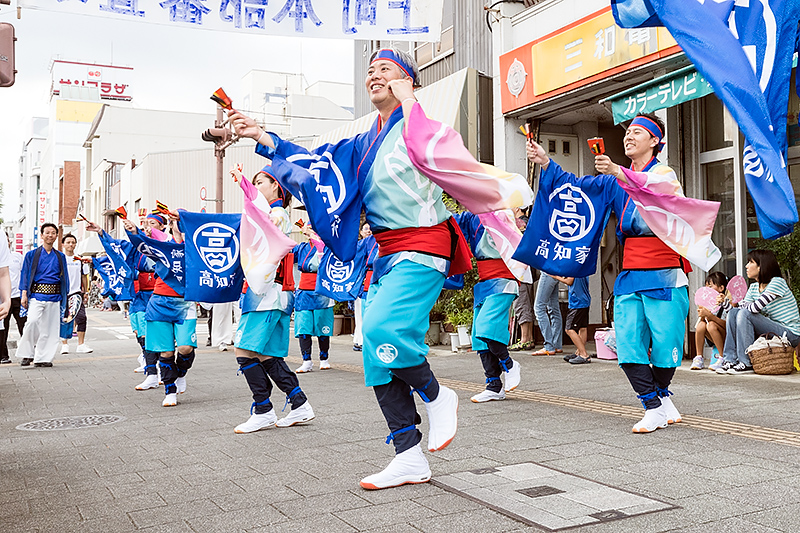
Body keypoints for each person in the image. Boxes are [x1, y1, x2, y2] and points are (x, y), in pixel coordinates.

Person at [229, 47, 467, 489]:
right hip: (385, 254)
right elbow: (315, 164)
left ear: (408, 80)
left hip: (423, 245)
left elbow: (437, 152)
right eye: (371, 70)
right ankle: (408, 455)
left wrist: (411, 100)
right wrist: (262, 136)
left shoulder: (425, 125)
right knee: (377, 358)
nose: (374, 75)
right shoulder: (361, 142)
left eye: (386, 70)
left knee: (381, 331)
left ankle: (438, 394)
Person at [527, 113, 689, 433]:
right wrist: (546, 161)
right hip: (630, 273)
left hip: (665, 273)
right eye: (626, 132)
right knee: (626, 342)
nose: (628, 136)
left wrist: (618, 171)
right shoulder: (614, 181)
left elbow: (662, 196)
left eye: (637, 132)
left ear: (655, 141)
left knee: (667, 345)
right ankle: (653, 405)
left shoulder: (663, 174)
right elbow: (574, 186)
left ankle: (662, 398)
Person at [231, 166, 315, 433]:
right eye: (254, 184)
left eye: (260, 183)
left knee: (243, 350)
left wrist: (245, 186)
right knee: (267, 355)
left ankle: (263, 408)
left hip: (268, 294)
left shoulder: (277, 214)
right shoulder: (274, 213)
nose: (256, 189)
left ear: (276, 186)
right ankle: (299, 404)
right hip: (275, 293)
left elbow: (271, 222)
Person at [125, 214, 197, 407]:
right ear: (170, 227)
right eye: (174, 223)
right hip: (159, 302)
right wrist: (133, 232)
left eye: (181, 224)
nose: (178, 227)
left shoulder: (195, 248)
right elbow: (141, 244)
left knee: (185, 348)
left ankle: (180, 373)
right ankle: (170, 389)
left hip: (185, 303)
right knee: (165, 352)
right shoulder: (163, 246)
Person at [454, 211, 522, 402]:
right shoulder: (472, 217)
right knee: (479, 338)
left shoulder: (507, 213)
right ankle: (494, 385)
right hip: (484, 282)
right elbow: (451, 222)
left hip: (503, 279)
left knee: (486, 328)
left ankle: (509, 364)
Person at [717, 250, 800, 374]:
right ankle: (730, 360)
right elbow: (736, 312)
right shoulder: (754, 287)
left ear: (761, 266)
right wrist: (724, 303)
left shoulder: (777, 282)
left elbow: (754, 308)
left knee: (744, 313)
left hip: (790, 334)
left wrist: (741, 304)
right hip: (773, 330)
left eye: (750, 262)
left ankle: (746, 362)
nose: (746, 266)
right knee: (734, 313)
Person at [16, 223, 68, 368]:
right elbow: (25, 274)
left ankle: (43, 358)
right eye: (47, 232)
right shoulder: (31, 255)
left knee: (49, 329)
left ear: (57, 236)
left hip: (55, 296)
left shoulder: (60, 256)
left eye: (53, 233)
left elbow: (64, 278)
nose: (50, 235)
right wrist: (24, 294)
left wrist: (65, 297)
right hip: (37, 295)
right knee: (31, 322)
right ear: (42, 235)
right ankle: (27, 354)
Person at [291, 224, 334, 373]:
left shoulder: (328, 246)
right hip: (304, 291)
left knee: (323, 328)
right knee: (303, 327)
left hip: (322, 289)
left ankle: (324, 358)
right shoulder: (301, 247)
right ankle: (306, 360)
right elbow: (288, 254)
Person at [510, 207, 537, 351]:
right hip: (526, 270)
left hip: (521, 270)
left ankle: (525, 339)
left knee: (521, 304)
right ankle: (529, 338)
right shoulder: (527, 223)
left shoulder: (521, 224)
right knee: (526, 303)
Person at [59, 233, 92, 354]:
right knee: (64, 318)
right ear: (63, 244)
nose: (71, 244)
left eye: (73, 242)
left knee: (81, 317)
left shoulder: (80, 260)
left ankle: (81, 344)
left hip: (77, 292)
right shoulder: (59, 259)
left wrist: (86, 292)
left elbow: (84, 276)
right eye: (68, 242)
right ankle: (64, 344)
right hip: (63, 293)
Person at [693, 271, 729, 371]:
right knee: (701, 325)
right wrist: (703, 315)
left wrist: (711, 317)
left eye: (710, 286)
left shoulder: (727, 303)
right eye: (706, 287)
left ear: (721, 288)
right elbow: (702, 323)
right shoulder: (709, 304)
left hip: (726, 336)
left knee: (711, 325)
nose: (707, 290)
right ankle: (699, 357)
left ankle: (723, 357)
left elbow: (728, 326)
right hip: (713, 336)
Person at [554, 276, 592, 364]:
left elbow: (569, 281)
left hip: (576, 302)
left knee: (569, 329)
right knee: (582, 328)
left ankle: (583, 354)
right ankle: (579, 352)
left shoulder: (574, 265)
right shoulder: (582, 265)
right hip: (584, 300)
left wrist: (555, 276)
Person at [353, 223, 378, 352]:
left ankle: (367, 340)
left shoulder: (377, 240)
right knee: (362, 314)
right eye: (366, 229)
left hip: (380, 278)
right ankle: (360, 340)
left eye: (370, 229)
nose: (369, 231)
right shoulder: (364, 243)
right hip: (365, 281)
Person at [0, 234, 25, 364]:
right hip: (3, 299)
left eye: (7, 240)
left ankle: (27, 353)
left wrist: (25, 294)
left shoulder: (17, 257)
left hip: (17, 297)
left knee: (24, 325)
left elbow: (23, 273)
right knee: (3, 328)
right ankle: (3, 355)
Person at [531, 273, 563, 355]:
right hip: (555, 271)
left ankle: (549, 346)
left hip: (547, 272)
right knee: (553, 308)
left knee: (539, 308)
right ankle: (556, 345)